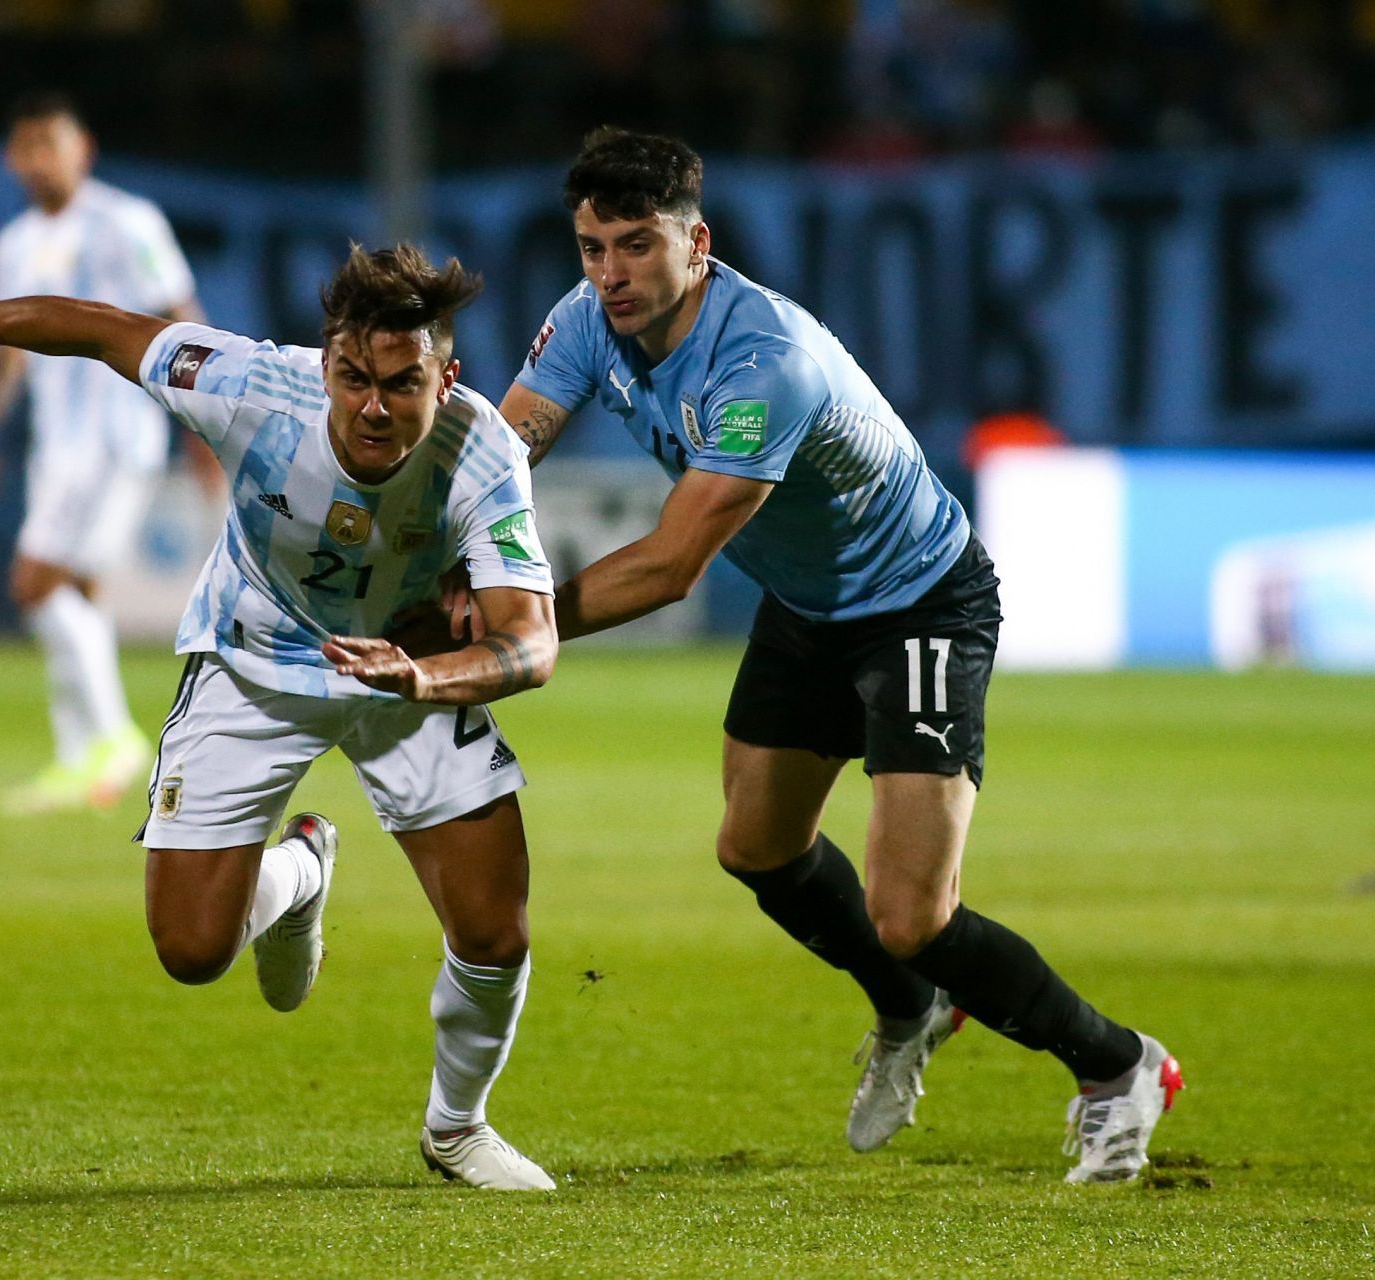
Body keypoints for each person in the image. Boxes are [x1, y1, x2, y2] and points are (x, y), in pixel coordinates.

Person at [498, 128, 1181, 1184]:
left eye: (636, 245)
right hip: (807, 601)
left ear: (698, 241)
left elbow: (675, 563)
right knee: (756, 848)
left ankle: (1117, 1064)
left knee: (911, 913)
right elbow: (503, 456)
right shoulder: (585, 320)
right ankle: (912, 1002)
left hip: (918, 602)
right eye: (592, 246)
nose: (610, 273)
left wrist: (512, 622)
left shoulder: (765, 360)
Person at [0, 245, 562, 1191]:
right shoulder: (254, 388)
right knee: (190, 952)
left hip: (406, 672)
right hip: (253, 660)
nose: (374, 407)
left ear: (447, 377)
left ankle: (456, 1128)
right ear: (325, 362)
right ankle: (301, 871)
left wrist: (422, 682)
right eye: (353, 378)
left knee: (494, 930)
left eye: (402, 382)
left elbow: (531, 644)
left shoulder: (482, 455)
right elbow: (104, 331)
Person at [0, 91, 207, 815]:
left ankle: (112, 738)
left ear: (83, 149)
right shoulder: (13, 243)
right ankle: (81, 757)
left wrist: (204, 423)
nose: (39, 158)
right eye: (26, 146)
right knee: (81, 593)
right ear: (11, 159)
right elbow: (9, 349)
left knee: (34, 584)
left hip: (114, 432)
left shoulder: (126, 221)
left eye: (52, 143)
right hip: (56, 443)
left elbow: (180, 316)